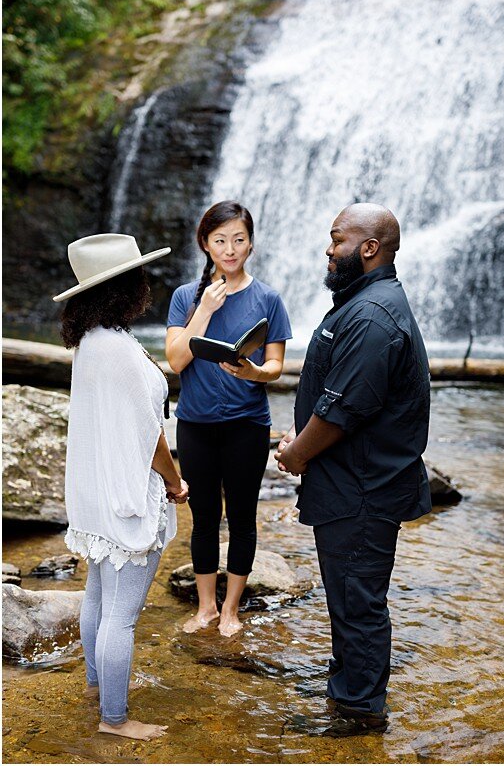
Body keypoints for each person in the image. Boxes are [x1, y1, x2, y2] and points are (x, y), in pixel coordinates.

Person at [274, 203, 430, 736]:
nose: (327, 248)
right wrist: (303, 439)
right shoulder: (364, 303)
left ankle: (360, 714)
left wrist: (297, 454)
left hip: (362, 488)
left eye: (337, 238)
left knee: (358, 601)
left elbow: (345, 408)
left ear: (369, 247)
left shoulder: (370, 315)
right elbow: (340, 402)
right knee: (348, 596)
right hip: (354, 481)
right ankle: (348, 694)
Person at [54, 234, 189, 741]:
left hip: (93, 492)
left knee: (97, 595)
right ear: (125, 289)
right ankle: (115, 718)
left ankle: (96, 686)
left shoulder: (92, 342)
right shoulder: (122, 352)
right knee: (123, 616)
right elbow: (149, 437)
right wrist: (175, 483)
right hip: (126, 496)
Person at [164, 200, 292, 636]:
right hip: (196, 424)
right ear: (206, 244)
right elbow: (176, 362)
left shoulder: (268, 298)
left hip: (247, 425)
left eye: (238, 239)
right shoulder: (186, 297)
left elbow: (276, 365)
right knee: (202, 516)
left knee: (241, 515)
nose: (230, 249)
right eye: (220, 240)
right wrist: (204, 310)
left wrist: (254, 371)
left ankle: (232, 609)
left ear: (250, 244)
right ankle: (206, 608)